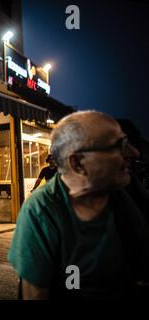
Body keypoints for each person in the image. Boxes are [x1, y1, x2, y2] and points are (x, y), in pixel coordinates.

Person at [8, 110, 149, 299]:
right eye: (119, 146)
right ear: (77, 163)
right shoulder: (41, 211)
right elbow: (35, 294)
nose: (134, 153)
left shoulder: (129, 196)